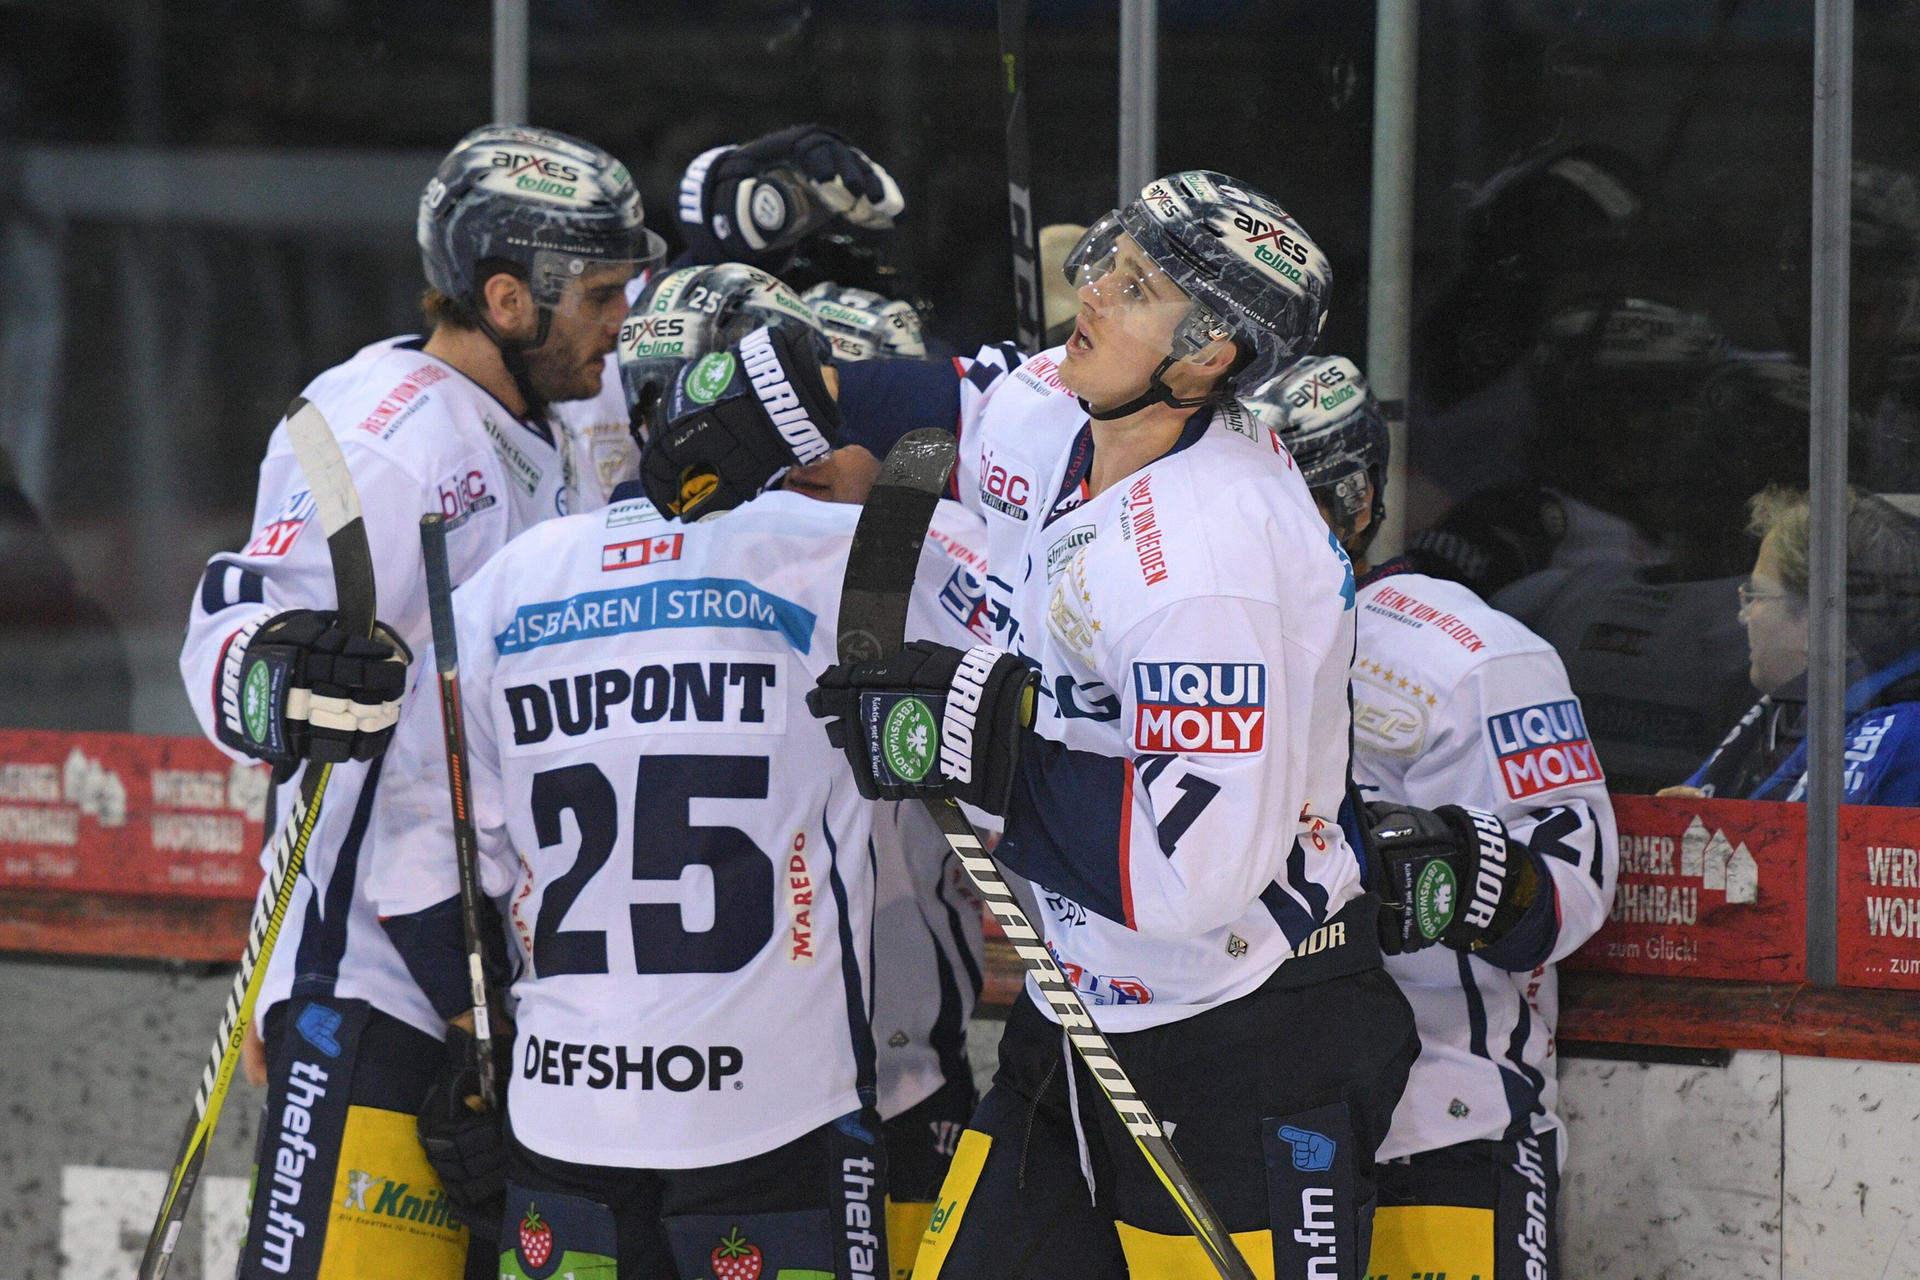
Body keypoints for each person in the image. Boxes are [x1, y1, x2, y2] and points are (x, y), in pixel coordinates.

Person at [644, 170, 1421, 1278]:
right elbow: (950, 401)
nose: (1092, 293)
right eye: (1110, 260)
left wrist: (967, 735)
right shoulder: (1069, 405)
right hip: (1080, 1005)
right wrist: (778, 390)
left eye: (1136, 287)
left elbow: (1183, 869)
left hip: (1240, 1030)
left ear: (1207, 358)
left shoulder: (1210, 559)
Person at [367, 323, 981, 1279]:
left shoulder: (509, 584)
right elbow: (1053, 619)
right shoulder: (852, 553)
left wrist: (485, 1050)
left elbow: (414, 865)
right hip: (780, 1111)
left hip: (564, 1113)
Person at [178, 122, 663, 1280]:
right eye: (601, 294)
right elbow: (236, 617)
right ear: (506, 297)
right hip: (379, 987)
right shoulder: (381, 437)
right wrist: (280, 671)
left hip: (531, 996)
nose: (621, 321)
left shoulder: (574, 405)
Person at [616, 262, 990, 1278]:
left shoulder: (915, 557)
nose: (808, 459)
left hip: (868, 1083)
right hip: (702, 1095)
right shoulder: (592, 562)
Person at [1244, 356, 1619, 1280]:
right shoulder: (1173, 645)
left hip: (1446, 1128)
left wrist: (1449, 866)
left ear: (1358, 501)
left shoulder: (1470, 657)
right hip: (1249, 1129)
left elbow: (1572, 883)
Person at [1662, 485, 1920, 805]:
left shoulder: (1900, 734)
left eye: (1757, 595)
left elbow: (1800, 851)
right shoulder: (1790, 709)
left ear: (1824, 620)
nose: (1744, 615)